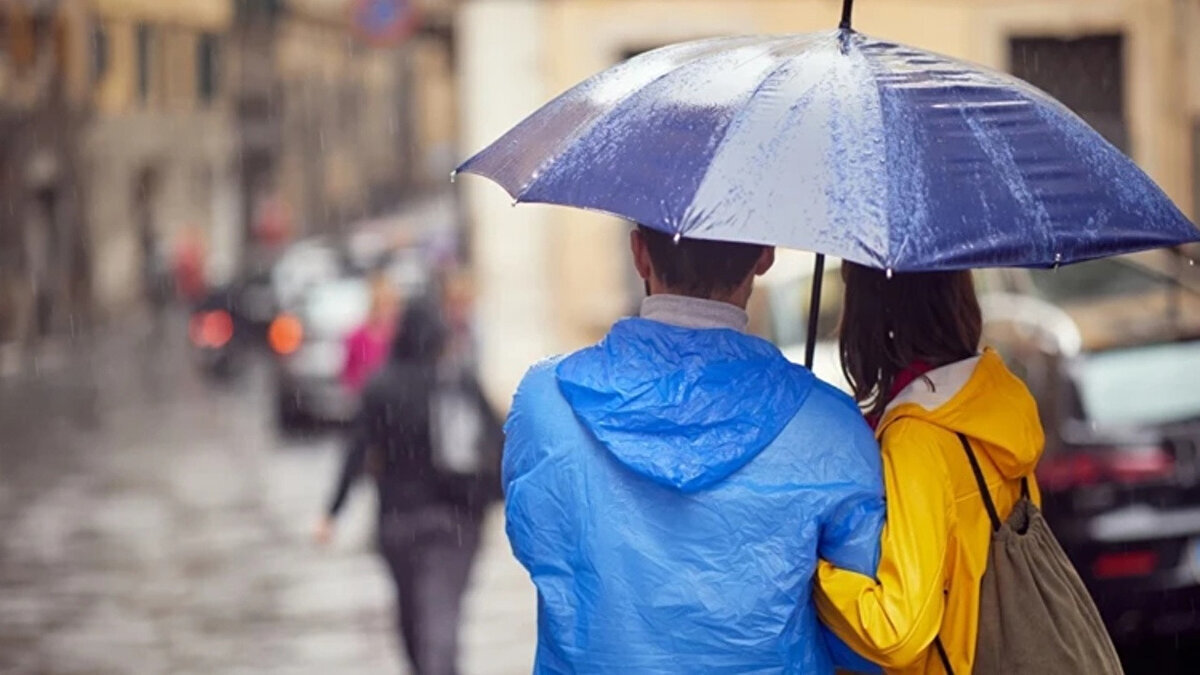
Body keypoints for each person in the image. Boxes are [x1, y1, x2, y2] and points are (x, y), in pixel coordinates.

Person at [502, 225, 886, 673]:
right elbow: (862, 632)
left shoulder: (545, 403)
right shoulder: (831, 426)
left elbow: (538, 544)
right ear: (765, 254)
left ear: (639, 253)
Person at [815, 263, 1045, 674]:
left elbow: (898, 631)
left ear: (871, 309)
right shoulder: (997, 398)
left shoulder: (918, 436)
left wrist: (814, 574)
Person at [315, 300, 503, 675]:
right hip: (457, 521)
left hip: (399, 523)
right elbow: (499, 442)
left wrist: (331, 513)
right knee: (440, 616)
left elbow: (356, 452)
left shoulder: (380, 387)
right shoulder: (457, 383)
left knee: (413, 618)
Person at [341, 273, 400, 393]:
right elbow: (349, 375)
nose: (385, 310)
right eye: (381, 304)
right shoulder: (357, 337)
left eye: (388, 303)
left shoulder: (400, 336)